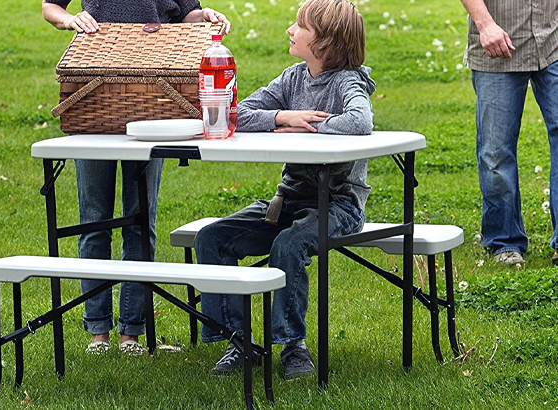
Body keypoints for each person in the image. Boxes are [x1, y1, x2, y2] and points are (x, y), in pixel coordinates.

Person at [194, 0, 375, 379]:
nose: (290, 31)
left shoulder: (349, 81)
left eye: (299, 26)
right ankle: (240, 343)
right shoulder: (293, 78)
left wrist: (313, 126)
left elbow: (359, 122)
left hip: (339, 204)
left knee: (289, 245)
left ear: (324, 41)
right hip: (287, 201)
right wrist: (282, 117)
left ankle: (294, 345)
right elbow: (234, 112)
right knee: (211, 238)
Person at [42, 0, 231, 354]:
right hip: (94, 96)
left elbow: (184, 14)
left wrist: (203, 18)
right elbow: (49, 7)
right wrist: (69, 19)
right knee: (94, 221)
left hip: (153, 104)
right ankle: (98, 332)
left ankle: (131, 333)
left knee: (141, 222)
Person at [459, 0, 558, 265]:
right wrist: (485, 24)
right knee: (496, 150)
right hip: (497, 47)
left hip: (553, 42)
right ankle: (504, 242)